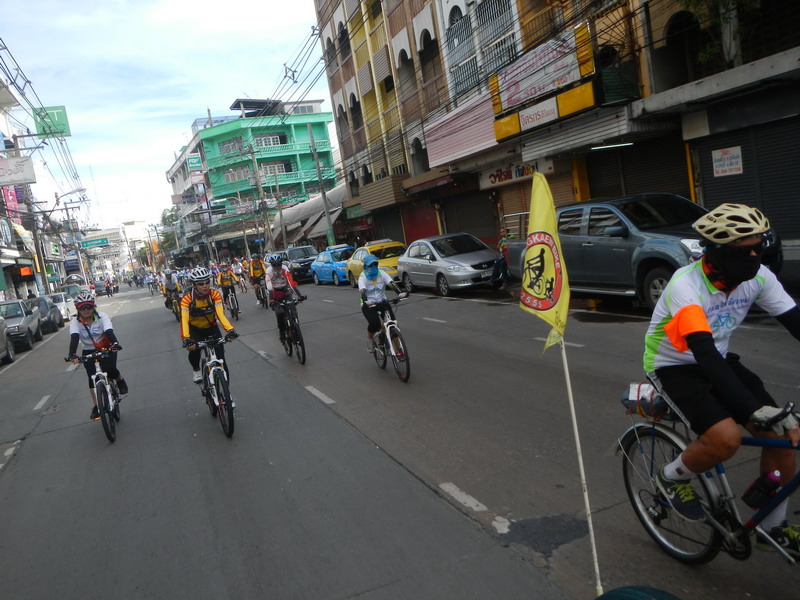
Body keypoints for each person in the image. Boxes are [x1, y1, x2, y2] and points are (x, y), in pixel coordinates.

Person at [643, 203, 800, 557]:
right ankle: (671, 476)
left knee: (782, 436)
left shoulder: (759, 277)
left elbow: (795, 322)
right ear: (716, 253)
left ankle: (773, 527)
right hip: (673, 365)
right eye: (745, 251)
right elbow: (702, 351)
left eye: (760, 247)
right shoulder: (685, 285)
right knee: (726, 439)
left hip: (719, 358)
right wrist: (751, 409)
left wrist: (761, 412)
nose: (755, 257)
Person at [67, 292, 128, 421]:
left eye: (89, 307)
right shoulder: (75, 322)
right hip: (88, 350)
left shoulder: (102, 317)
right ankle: (97, 406)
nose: (86, 310)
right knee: (91, 378)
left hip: (106, 347)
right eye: (82, 308)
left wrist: (115, 344)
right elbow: (74, 337)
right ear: (77, 309)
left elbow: (109, 331)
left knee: (110, 369)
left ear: (93, 306)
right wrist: (72, 354)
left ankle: (119, 380)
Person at [180, 267, 238, 384]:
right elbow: (184, 319)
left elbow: (220, 315)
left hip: (211, 327)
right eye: (200, 284)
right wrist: (186, 338)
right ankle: (196, 369)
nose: (205, 286)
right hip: (195, 329)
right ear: (194, 285)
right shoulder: (187, 299)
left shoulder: (214, 294)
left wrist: (230, 330)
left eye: (207, 282)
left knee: (221, 359)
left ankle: (226, 391)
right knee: (194, 351)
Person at [358, 254, 407, 352]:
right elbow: (363, 291)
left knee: (392, 323)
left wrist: (400, 293)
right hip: (369, 305)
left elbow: (391, 283)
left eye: (375, 264)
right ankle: (370, 339)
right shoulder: (362, 277)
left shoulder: (381, 273)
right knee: (375, 324)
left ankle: (399, 350)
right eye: (371, 265)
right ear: (365, 267)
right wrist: (366, 300)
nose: (374, 267)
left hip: (382, 302)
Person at [266, 254, 302, 343]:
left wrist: (299, 295)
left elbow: (291, 283)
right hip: (275, 294)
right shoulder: (269, 271)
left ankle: (296, 327)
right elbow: (270, 287)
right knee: (280, 313)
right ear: (271, 265)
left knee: (293, 309)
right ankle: (282, 333)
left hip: (286, 292)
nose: (276, 267)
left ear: (281, 263)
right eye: (274, 265)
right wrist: (272, 300)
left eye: (278, 264)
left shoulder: (285, 269)